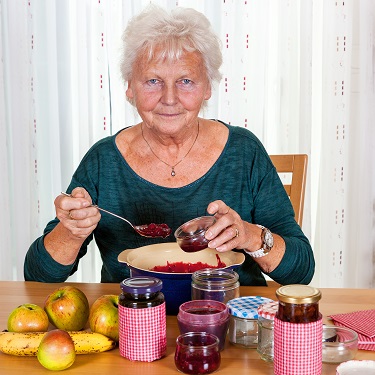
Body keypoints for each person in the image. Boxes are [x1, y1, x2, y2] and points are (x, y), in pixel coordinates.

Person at [24, 5, 314, 286]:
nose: (170, 97)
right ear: (129, 87)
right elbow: (38, 277)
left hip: (231, 320)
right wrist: (71, 232)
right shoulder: (103, 160)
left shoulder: (244, 151)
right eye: (153, 80)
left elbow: (301, 271)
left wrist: (250, 236)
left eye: (186, 80)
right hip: (132, 321)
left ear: (207, 87)